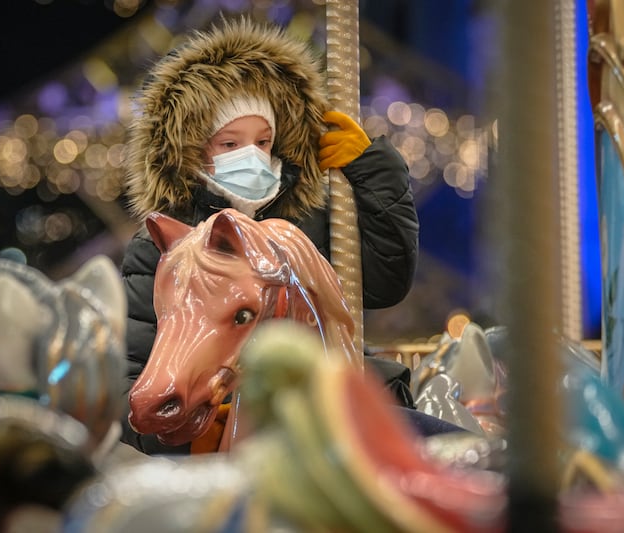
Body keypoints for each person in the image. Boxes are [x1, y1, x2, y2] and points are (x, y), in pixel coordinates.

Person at [120, 17, 419, 454]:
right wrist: (201, 430)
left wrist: (374, 169)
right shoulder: (164, 249)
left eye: (263, 142)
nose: (253, 157)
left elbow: (386, 280)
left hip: (332, 406)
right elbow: (132, 373)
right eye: (230, 144)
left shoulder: (312, 218)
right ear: (193, 150)